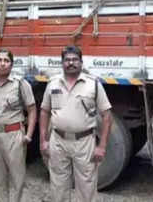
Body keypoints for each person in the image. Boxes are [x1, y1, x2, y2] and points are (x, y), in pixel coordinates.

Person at [39, 45, 112, 202]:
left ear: (81, 62)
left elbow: (107, 115)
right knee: (58, 186)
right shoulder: (52, 83)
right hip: (57, 140)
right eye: (67, 60)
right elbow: (44, 111)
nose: (71, 63)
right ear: (62, 63)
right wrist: (43, 140)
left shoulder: (93, 84)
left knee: (86, 187)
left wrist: (102, 146)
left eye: (74, 60)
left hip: (84, 142)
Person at [0, 48, 37, 202]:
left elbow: (32, 110)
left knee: (17, 179)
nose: (2, 64)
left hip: (14, 135)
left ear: (11, 64)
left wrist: (28, 135)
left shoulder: (20, 84)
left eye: (6, 61)